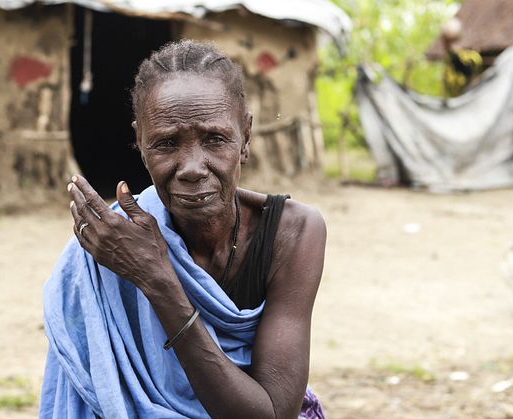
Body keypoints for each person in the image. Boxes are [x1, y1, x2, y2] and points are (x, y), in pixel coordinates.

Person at [40, 40, 327, 419]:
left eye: (214, 139)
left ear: (246, 136)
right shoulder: (107, 245)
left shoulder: (292, 232)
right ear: (140, 142)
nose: (192, 167)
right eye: (166, 143)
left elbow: (270, 413)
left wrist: (157, 279)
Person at [441, 17, 482, 98]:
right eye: (445, 41)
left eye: (449, 41)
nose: (446, 45)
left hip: (472, 98)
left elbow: (470, 70)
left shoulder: (472, 57)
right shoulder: (449, 59)